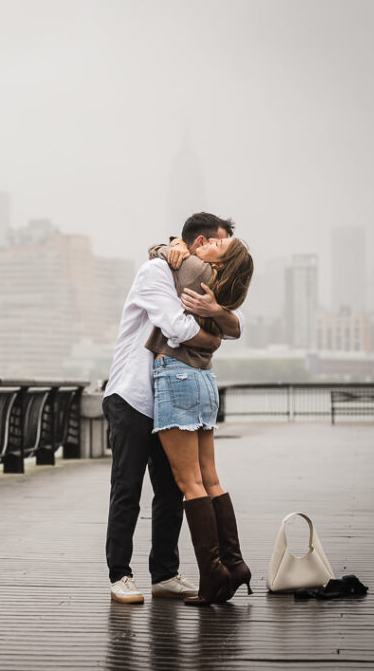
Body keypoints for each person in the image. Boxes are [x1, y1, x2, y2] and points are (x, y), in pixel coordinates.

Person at [104, 212, 244, 604]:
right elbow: (175, 326)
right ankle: (120, 574)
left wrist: (218, 313)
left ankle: (164, 573)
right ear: (200, 243)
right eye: (220, 247)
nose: (222, 260)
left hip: (169, 399)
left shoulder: (201, 277)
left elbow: (238, 322)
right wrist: (213, 339)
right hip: (133, 395)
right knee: (127, 487)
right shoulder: (156, 272)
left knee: (170, 491)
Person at [148, 234, 254, 605]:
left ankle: (212, 573)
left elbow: (154, 253)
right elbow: (235, 327)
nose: (207, 244)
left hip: (176, 375)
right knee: (209, 478)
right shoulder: (221, 292)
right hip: (205, 380)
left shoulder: (196, 269)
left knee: (188, 481)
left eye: (217, 246)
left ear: (219, 264)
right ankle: (233, 563)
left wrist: (168, 245)